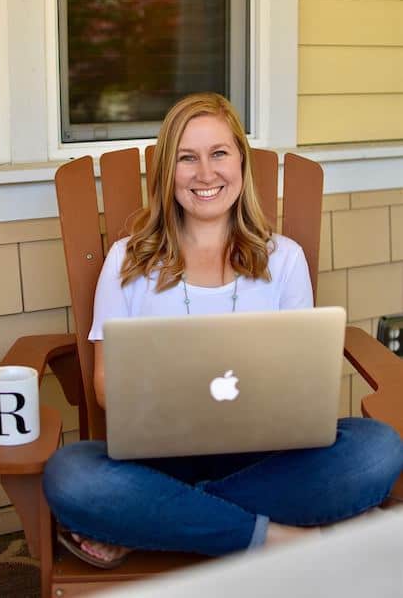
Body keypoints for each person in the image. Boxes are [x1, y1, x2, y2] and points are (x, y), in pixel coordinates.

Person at [43, 93, 403, 568]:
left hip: (267, 458)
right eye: (187, 158)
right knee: (71, 475)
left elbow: (301, 379)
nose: (205, 174)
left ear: (240, 163)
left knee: (377, 450)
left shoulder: (284, 259)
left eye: (219, 154)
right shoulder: (128, 262)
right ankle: (277, 538)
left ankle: (148, 524)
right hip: (155, 461)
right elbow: (107, 385)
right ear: (168, 171)